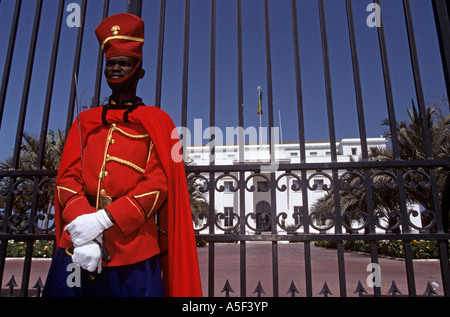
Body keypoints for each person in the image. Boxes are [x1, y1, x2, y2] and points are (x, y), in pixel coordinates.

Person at [43, 13, 202, 297]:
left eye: (123, 63)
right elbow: (68, 178)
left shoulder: (159, 121)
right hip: (78, 246)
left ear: (140, 71)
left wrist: (103, 221)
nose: (115, 69)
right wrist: (85, 230)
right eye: (110, 64)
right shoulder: (85, 121)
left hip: (133, 253)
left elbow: (159, 183)